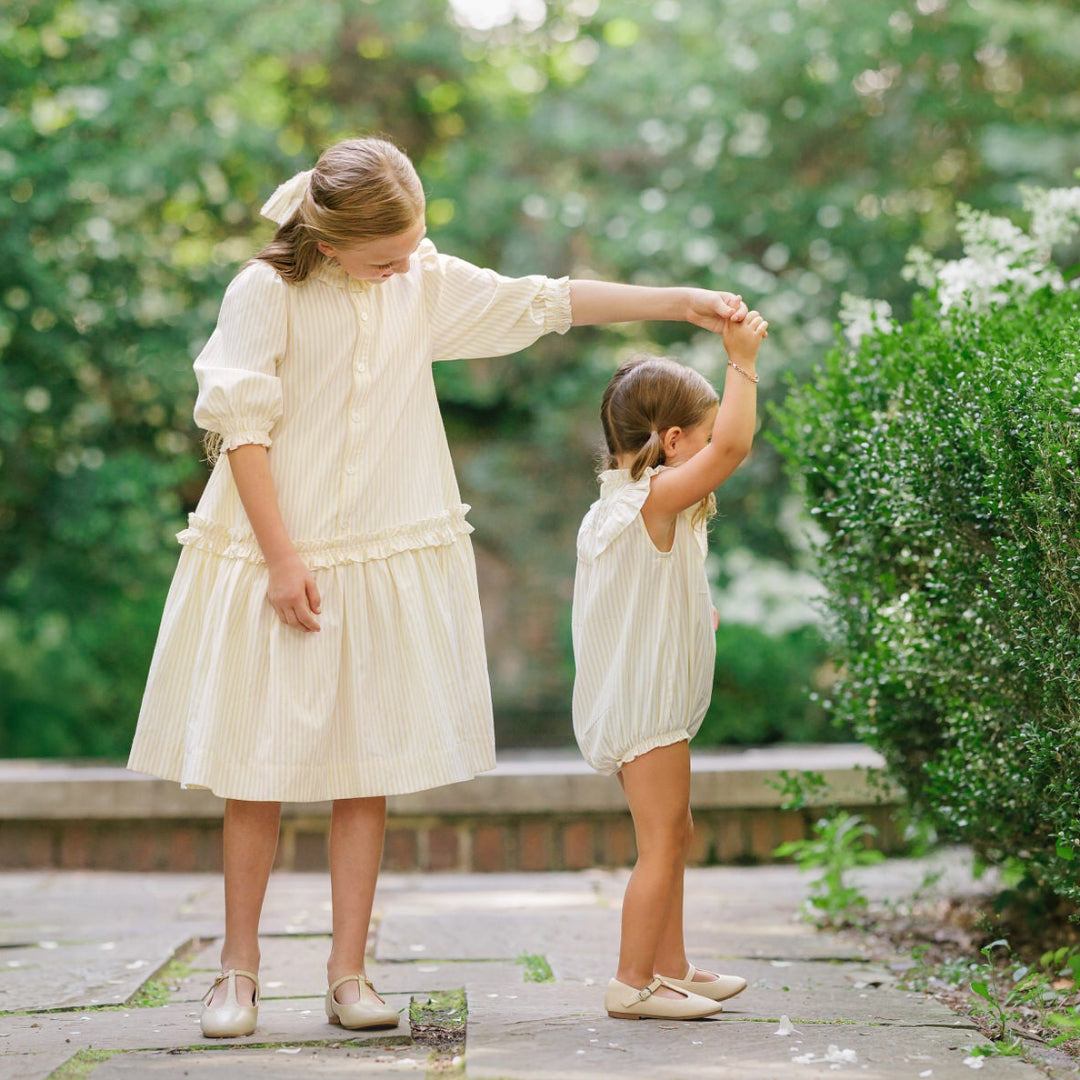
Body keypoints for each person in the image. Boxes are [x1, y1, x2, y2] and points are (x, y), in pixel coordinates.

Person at [127, 135, 750, 1039]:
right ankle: (238, 972)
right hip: (276, 546)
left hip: (384, 546)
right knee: (252, 765)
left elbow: (548, 302)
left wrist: (681, 302)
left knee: (366, 766)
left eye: (413, 248)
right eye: (385, 257)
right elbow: (241, 431)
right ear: (331, 243)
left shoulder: (417, 280)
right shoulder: (266, 293)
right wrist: (282, 559)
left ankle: (348, 975)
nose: (403, 268)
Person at [571, 313, 768, 1020]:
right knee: (661, 842)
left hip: (640, 700)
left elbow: (634, 597)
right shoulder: (651, 500)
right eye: (703, 438)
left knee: (674, 831)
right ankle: (632, 982)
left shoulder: (619, 505)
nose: (714, 447)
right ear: (675, 440)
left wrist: (694, 609)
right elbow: (739, 445)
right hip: (646, 708)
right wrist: (740, 360)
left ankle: (672, 965)